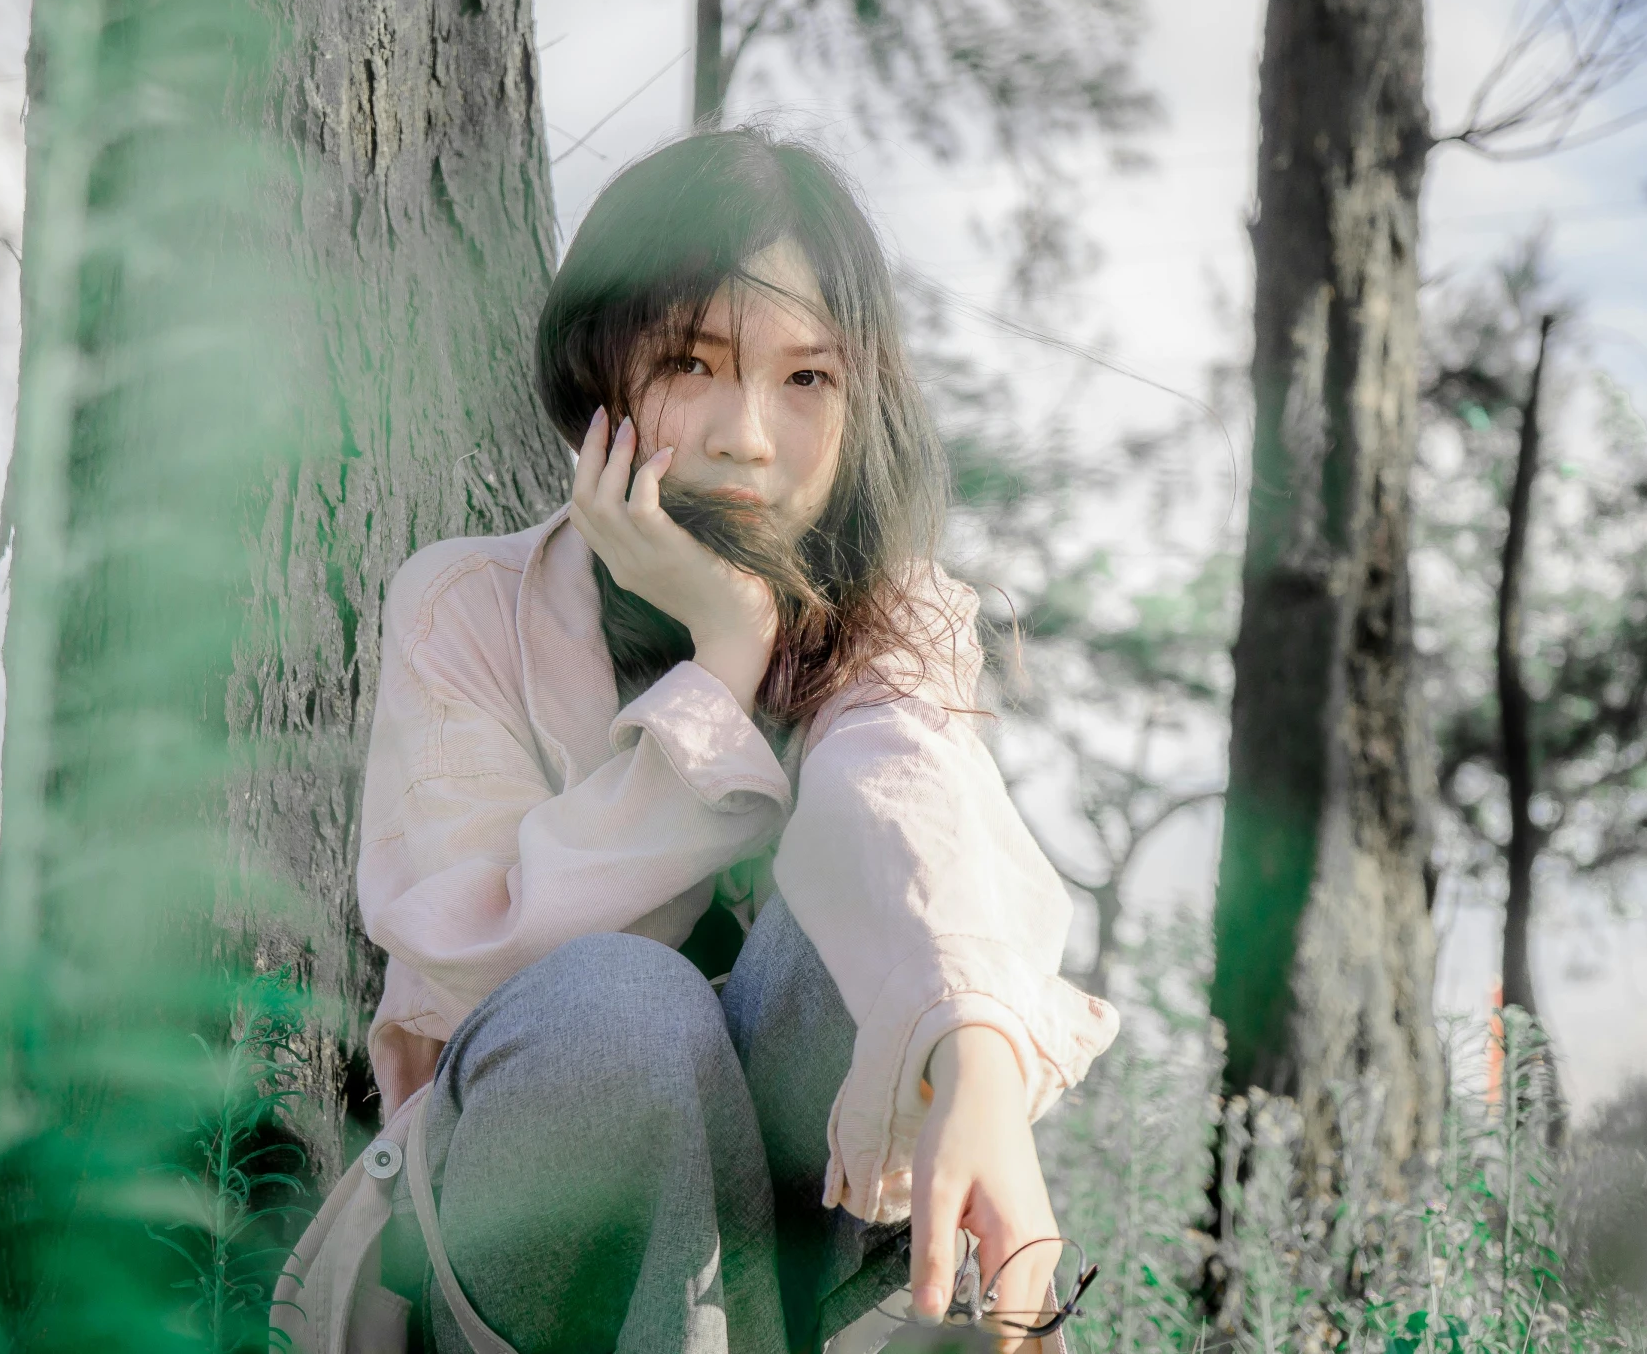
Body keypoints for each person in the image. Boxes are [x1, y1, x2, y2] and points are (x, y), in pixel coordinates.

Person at [356, 129, 1118, 1354]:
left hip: (816, 1258)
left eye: (806, 378)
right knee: (615, 1001)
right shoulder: (463, 606)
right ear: (596, 368)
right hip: (541, 1264)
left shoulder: (895, 619)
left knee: (877, 905)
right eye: (690, 362)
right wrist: (723, 658)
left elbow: (908, 807)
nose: (747, 435)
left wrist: (974, 1050)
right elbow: (472, 969)